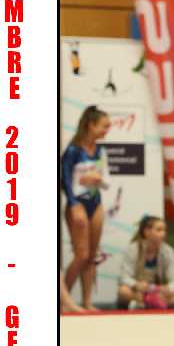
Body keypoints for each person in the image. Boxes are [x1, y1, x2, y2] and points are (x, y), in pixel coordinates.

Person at [61, 105, 111, 310]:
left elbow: (107, 182)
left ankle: (88, 302)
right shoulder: (73, 150)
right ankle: (63, 300)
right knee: (81, 254)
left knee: (91, 256)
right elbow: (64, 179)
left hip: (95, 203)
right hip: (77, 203)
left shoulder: (100, 151)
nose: (107, 130)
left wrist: (97, 179)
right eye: (104, 126)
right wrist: (73, 204)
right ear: (91, 125)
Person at [118, 215, 174, 309]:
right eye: (159, 230)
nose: (163, 233)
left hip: (160, 293)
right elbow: (124, 277)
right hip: (140, 293)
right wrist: (136, 285)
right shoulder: (132, 249)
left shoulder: (168, 251)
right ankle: (154, 303)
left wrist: (168, 288)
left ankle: (148, 304)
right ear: (147, 232)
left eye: (165, 230)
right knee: (123, 291)